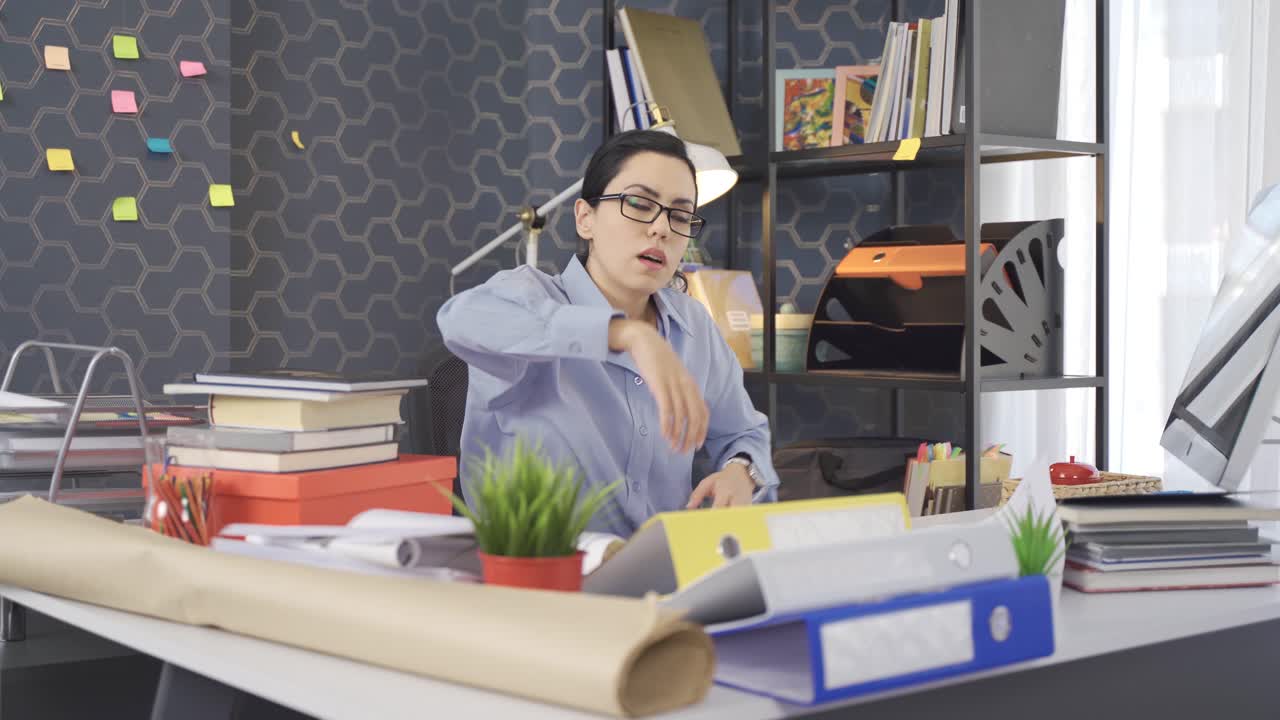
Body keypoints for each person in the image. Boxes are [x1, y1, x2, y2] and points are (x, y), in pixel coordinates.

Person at [437, 129, 779, 537]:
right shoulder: (524, 295)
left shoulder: (696, 327)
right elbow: (458, 319)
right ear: (585, 218)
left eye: (681, 215)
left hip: (660, 574)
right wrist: (626, 335)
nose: (661, 229)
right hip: (542, 577)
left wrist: (742, 472)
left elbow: (744, 433)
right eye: (639, 204)